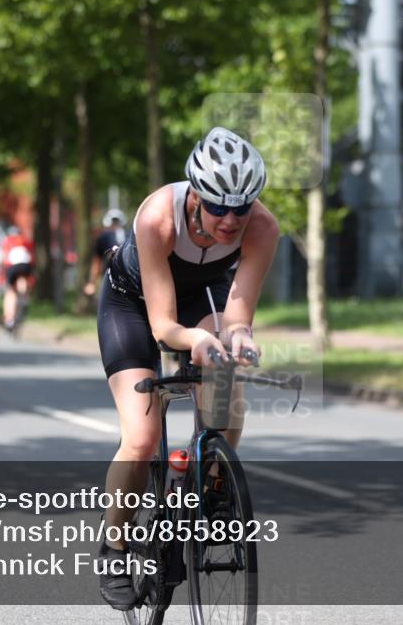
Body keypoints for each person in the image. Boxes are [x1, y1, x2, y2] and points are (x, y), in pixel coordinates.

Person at [95, 127, 279, 610]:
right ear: (194, 194)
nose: (231, 219)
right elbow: (163, 326)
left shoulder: (262, 228)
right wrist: (198, 339)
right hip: (133, 305)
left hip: (202, 296)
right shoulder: (158, 217)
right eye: (218, 207)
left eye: (243, 207)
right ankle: (114, 547)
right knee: (141, 435)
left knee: (226, 382)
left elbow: (238, 315)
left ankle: (213, 483)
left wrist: (239, 338)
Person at [83, 208, 127, 297]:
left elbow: (97, 262)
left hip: (111, 282)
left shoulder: (104, 236)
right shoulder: (129, 236)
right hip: (127, 282)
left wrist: (92, 283)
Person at [0, 226, 35, 330]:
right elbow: (32, 256)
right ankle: (24, 297)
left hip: (12, 266)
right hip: (26, 265)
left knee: (10, 292)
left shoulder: (7, 241)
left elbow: (4, 258)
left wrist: (1, 274)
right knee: (22, 278)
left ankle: (9, 319)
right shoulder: (26, 241)